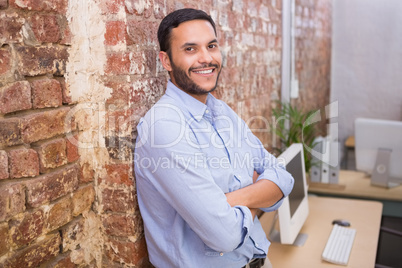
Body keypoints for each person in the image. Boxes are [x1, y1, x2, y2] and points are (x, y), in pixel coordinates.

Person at [134, 8, 294, 268]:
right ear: (166, 61)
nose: (206, 58)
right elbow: (225, 236)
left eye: (211, 46)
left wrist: (226, 202)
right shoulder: (164, 128)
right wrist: (258, 193)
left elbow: (283, 178)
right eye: (190, 49)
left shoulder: (222, 112)